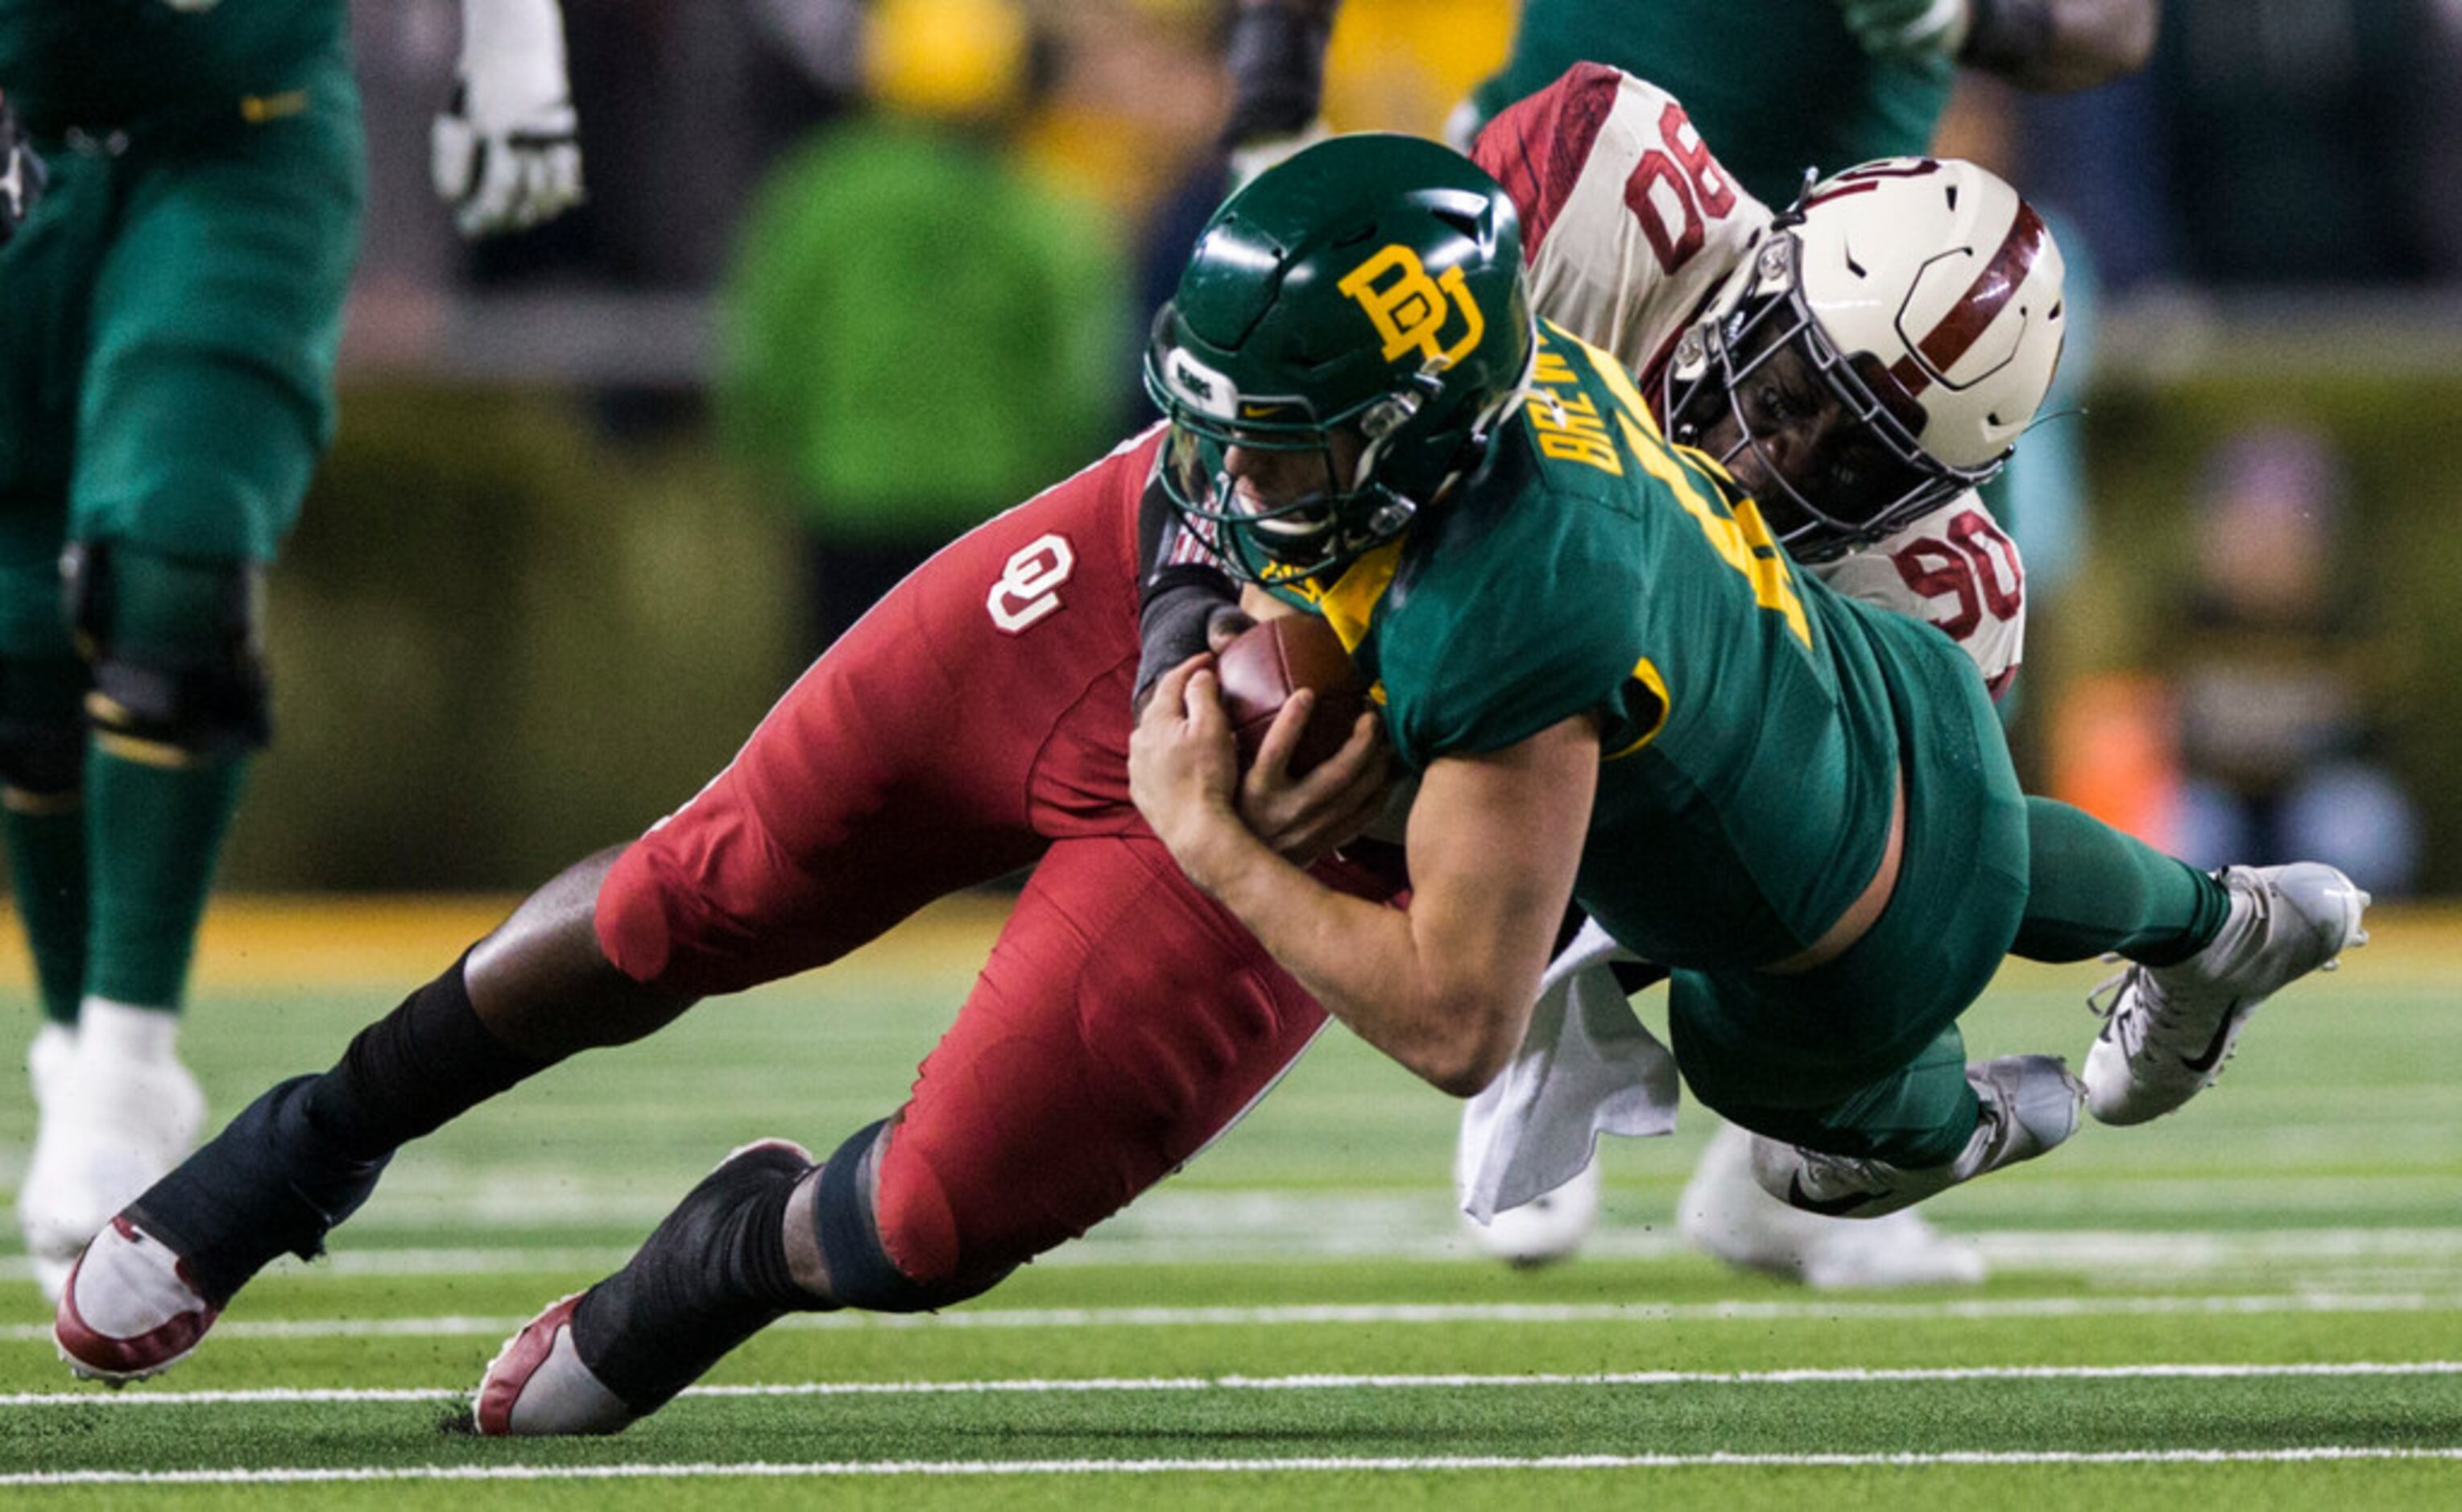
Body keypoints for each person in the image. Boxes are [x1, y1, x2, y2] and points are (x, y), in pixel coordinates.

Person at [52, 135, 2355, 1436]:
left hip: (1329, 827)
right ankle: (308, 1139)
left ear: (1937, 489)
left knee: (934, 1218)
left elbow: (1727, 873)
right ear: (1741, 271)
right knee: (705, 875)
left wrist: (1433, 900)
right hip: (1147, 586)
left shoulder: (1915, 610)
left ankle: (710, 1264)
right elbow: (1262, 372)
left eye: (1846, 456)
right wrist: (1187, 648)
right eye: (1776, 378)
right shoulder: (1591, 195)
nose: (1772, 446)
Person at [1219, 0, 2156, 1283]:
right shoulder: (1588, 171)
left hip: (1865, 257)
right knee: (1448, 581)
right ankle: (1528, 980)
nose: (1771, 461)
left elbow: (2109, 26)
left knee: (1878, 802)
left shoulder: (1942, 574)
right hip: (1616, 226)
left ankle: (1667, 1049)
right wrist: (1273, 86)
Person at [2, 0, 585, 1301]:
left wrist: (514, 50)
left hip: (234, 136)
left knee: (173, 564)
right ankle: (77, 1047)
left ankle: (122, 1054)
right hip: (28, 115)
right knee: (19, 644)